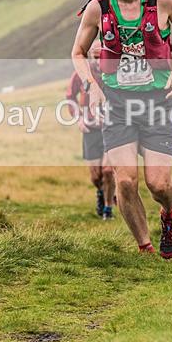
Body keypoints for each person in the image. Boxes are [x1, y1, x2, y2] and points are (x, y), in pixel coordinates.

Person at [71, 0, 172, 258]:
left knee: (159, 184)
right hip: (117, 104)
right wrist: (92, 86)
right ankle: (145, 247)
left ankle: (170, 214)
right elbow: (77, 52)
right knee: (126, 181)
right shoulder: (98, 8)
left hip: (158, 101)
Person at [66, 42, 116, 220]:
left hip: (112, 128)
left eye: (101, 57)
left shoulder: (114, 72)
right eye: (95, 57)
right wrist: (78, 117)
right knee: (96, 176)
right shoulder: (82, 73)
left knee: (108, 171)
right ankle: (102, 193)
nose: (98, 61)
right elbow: (70, 96)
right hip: (90, 129)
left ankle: (108, 210)